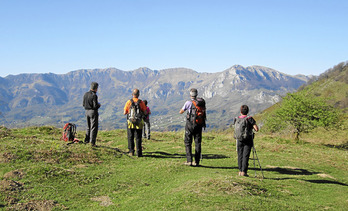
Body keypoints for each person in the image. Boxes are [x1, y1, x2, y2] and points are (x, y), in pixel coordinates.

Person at [179, 88, 206, 167]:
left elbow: (181, 111)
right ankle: (197, 161)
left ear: (190, 95)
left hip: (190, 124)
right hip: (199, 124)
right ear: (196, 94)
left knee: (188, 142)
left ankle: (189, 160)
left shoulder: (188, 103)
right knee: (198, 143)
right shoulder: (201, 103)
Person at [233, 105, 259, 176]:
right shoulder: (249, 118)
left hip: (239, 139)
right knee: (245, 156)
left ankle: (240, 171)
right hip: (248, 139)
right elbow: (256, 129)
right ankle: (244, 172)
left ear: (240, 111)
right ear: (247, 111)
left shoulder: (236, 118)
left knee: (240, 155)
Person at [124, 89, 147, 157]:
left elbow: (125, 112)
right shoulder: (141, 102)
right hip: (139, 122)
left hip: (130, 122)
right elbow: (145, 112)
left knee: (130, 137)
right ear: (138, 95)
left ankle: (131, 151)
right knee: (138, 137)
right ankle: (139, 153)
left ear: (132, 94)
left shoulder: (128, 102)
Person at [83, 82, 101, 147]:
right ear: (96, 88)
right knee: (93, 127)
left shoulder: (85, 94)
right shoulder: (94, 95)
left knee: (88, 127)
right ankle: (92, 142)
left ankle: (86, 140)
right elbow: (95, 106)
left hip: (87, 111)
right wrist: (99, 105)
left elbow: (83, 104)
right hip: (93, 112)